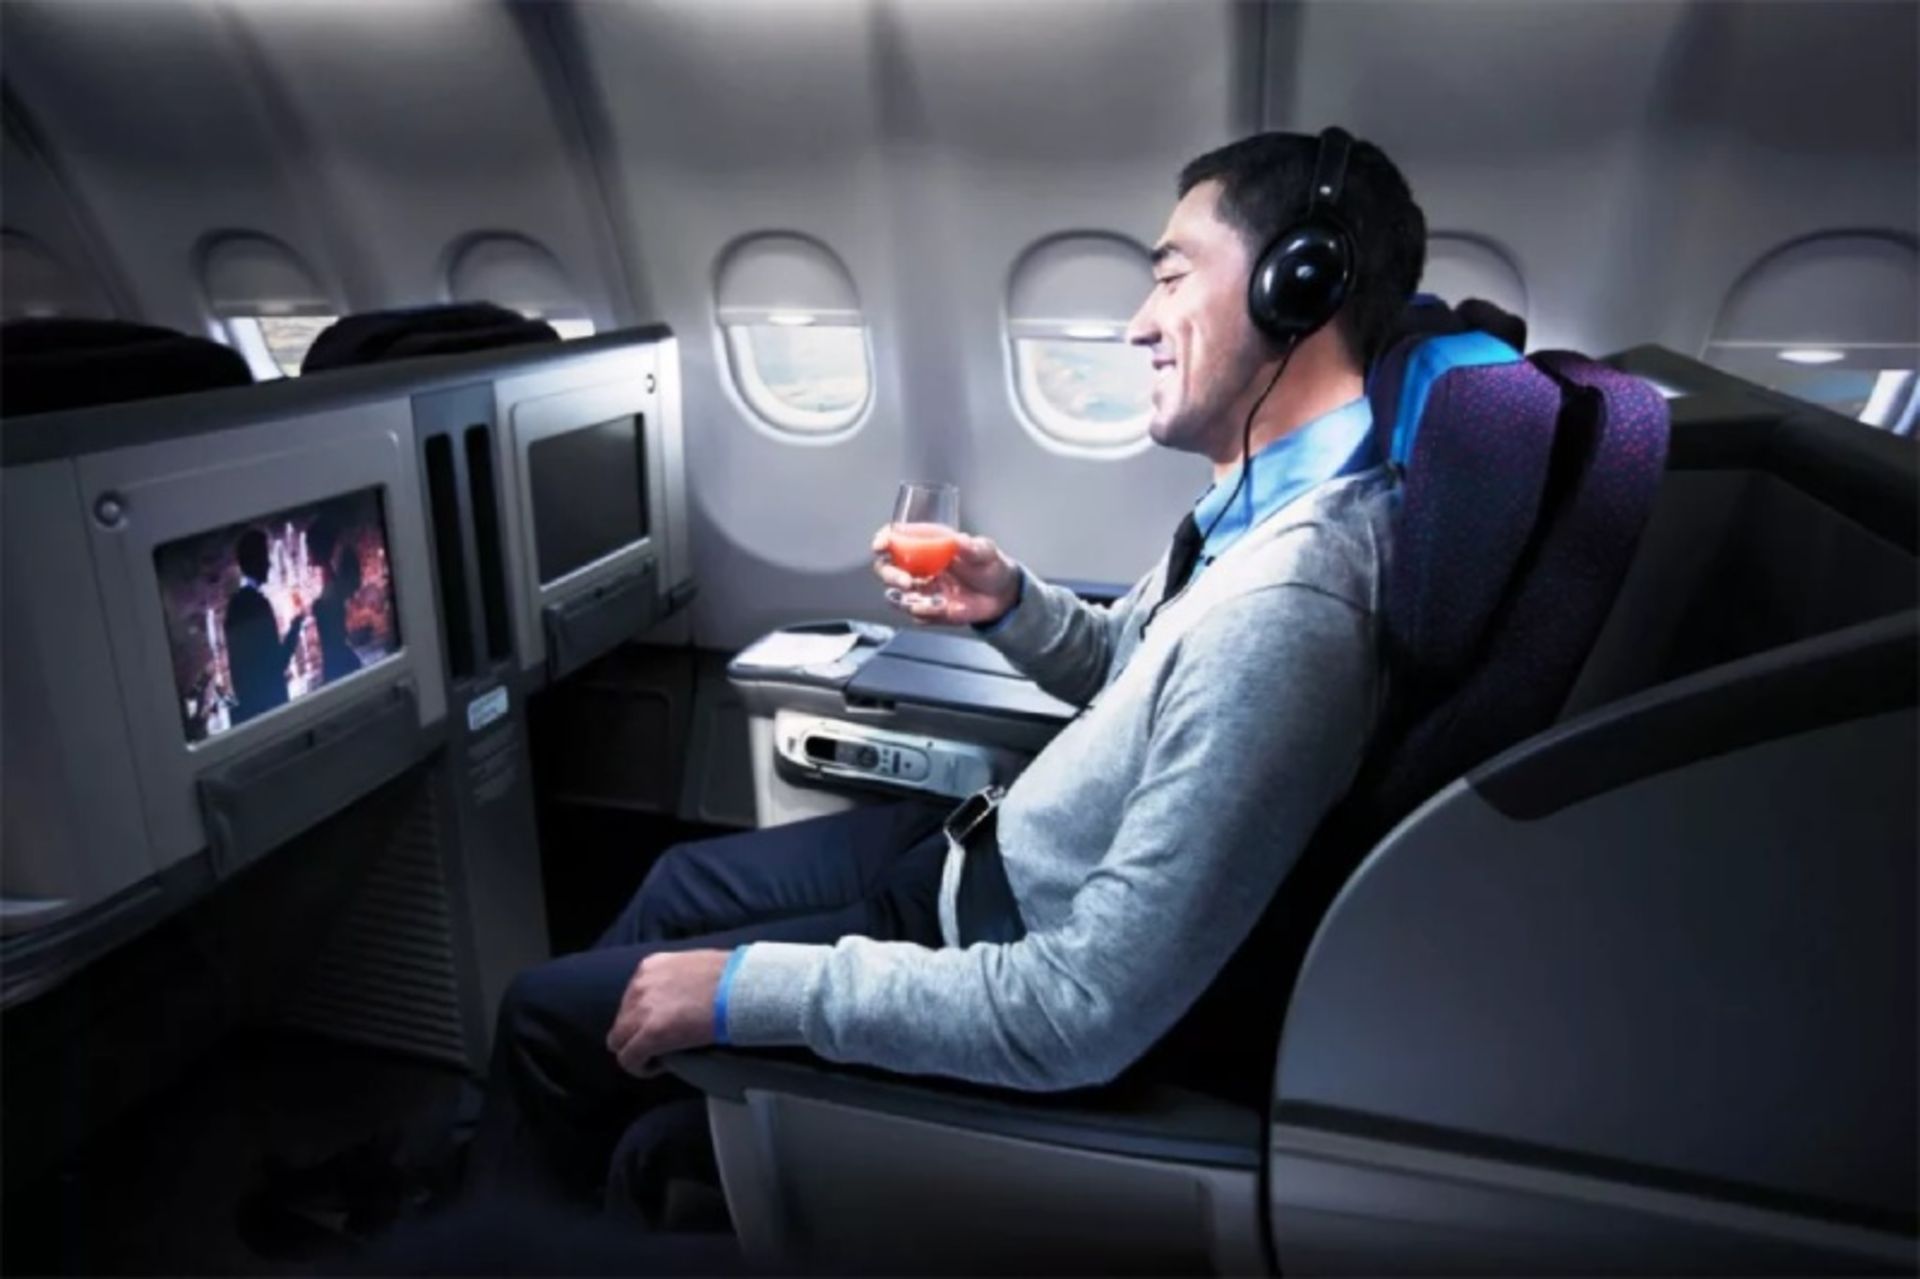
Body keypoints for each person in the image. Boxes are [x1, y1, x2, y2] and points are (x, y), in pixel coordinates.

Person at [468, 128, 1427, 1210]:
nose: (1138, 323)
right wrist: (1010, 603)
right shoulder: (1255, 509)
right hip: (972, 854)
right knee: (672, 884)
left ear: (1298, 285)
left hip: (992, 935)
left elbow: (1078, 1009)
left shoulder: (1292, 609)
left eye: (1169, 278)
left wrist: (746, 993)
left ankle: (512, 1212)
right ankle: (586, 1149)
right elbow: (1135, 671)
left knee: (546, 1021)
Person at [224, 527, 307, 726]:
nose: (270, 564)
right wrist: (296, 627)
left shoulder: (234, 606)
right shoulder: (258, 605)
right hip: (272, 709)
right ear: (255, 561)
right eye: (265, 557)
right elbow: (276, 663)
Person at [305, 516, 365, 685]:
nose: (308, 554)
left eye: (309, 547)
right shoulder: (331, 577)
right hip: (337, 661)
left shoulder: (333, 585)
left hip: (337, 662)